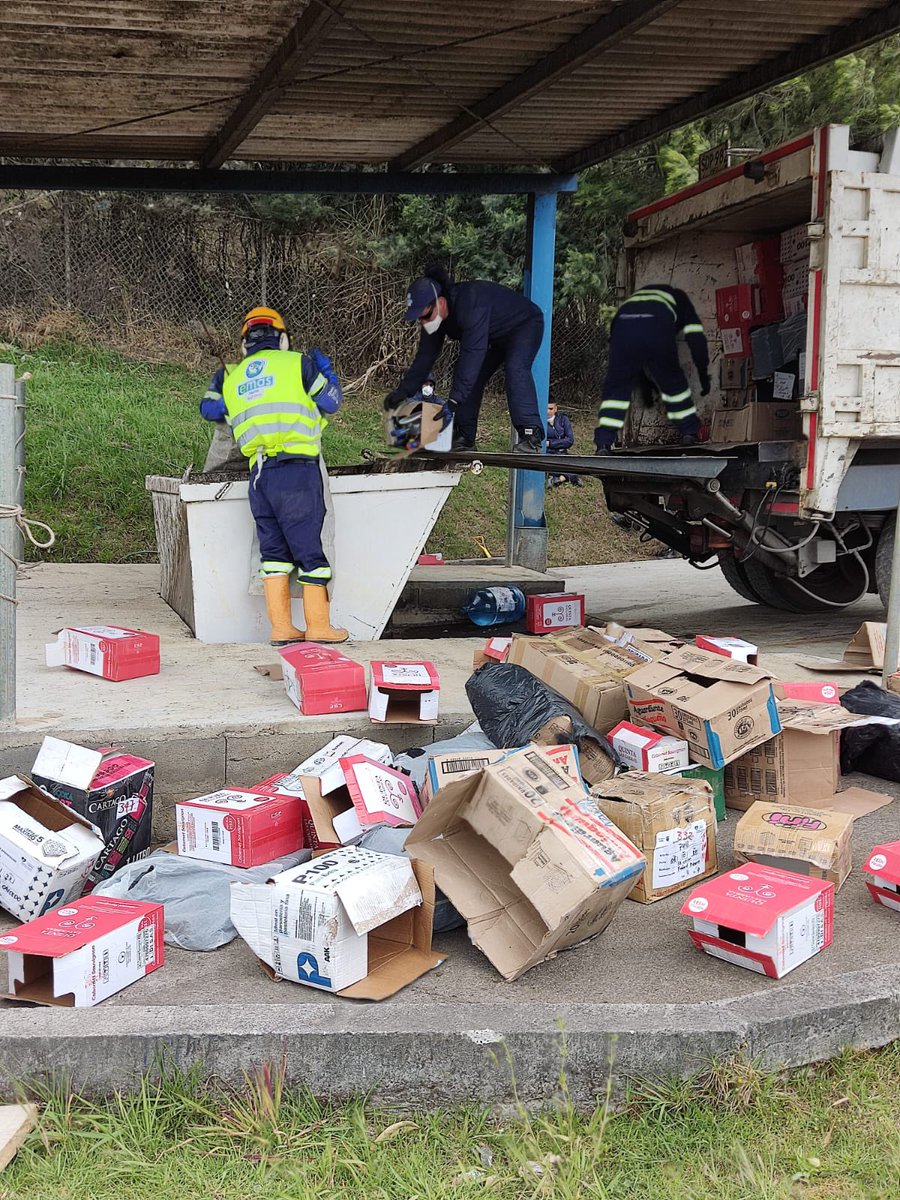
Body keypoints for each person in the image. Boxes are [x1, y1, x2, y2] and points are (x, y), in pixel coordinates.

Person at [199, 306, 347, 646]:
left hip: (259, 476)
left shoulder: (232, 377)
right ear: (282, 339)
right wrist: (327, 372)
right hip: (298, 471)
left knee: (274, 554)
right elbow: (331, 402)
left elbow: (210, 409)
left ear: (244, 343)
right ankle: (319, 626)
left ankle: (282, 628)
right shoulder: (298, 364)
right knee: (310, 550)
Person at [383, 264, 545, 452]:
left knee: (515, 368)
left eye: (425, 315)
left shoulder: (471, 305)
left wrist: (454, 401)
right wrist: (403, 392)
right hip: (494, 334)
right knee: (470, 377)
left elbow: (473, 354)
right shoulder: (435, 317)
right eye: (419, 318)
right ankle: (464, 437)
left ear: (440, 302)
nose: (423, 321)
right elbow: (425, 357)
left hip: (525, 325)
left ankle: (531, 435)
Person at [594, 284, 710, 451]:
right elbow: (696, 337)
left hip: (622, 326)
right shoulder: (681, 300)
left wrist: (638, 376)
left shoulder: (634, 301)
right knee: (672, 381)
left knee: (617, 389)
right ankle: (689, 432)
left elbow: (618, 338)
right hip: (656, 323)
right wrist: (703, 374)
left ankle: (603, 443)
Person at [546, 401, 582, 487]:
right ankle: (569, 477)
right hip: (548, 454)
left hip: (562, 454)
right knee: (553, 465)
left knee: (577, 464)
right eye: (545, 409)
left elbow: (570, 440)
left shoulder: (563, 419)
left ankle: (559, 478)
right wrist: (561, 442)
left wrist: (550, 443)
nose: (548, 411)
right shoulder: (540, 421)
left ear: (556, 408)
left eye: (550, 408)